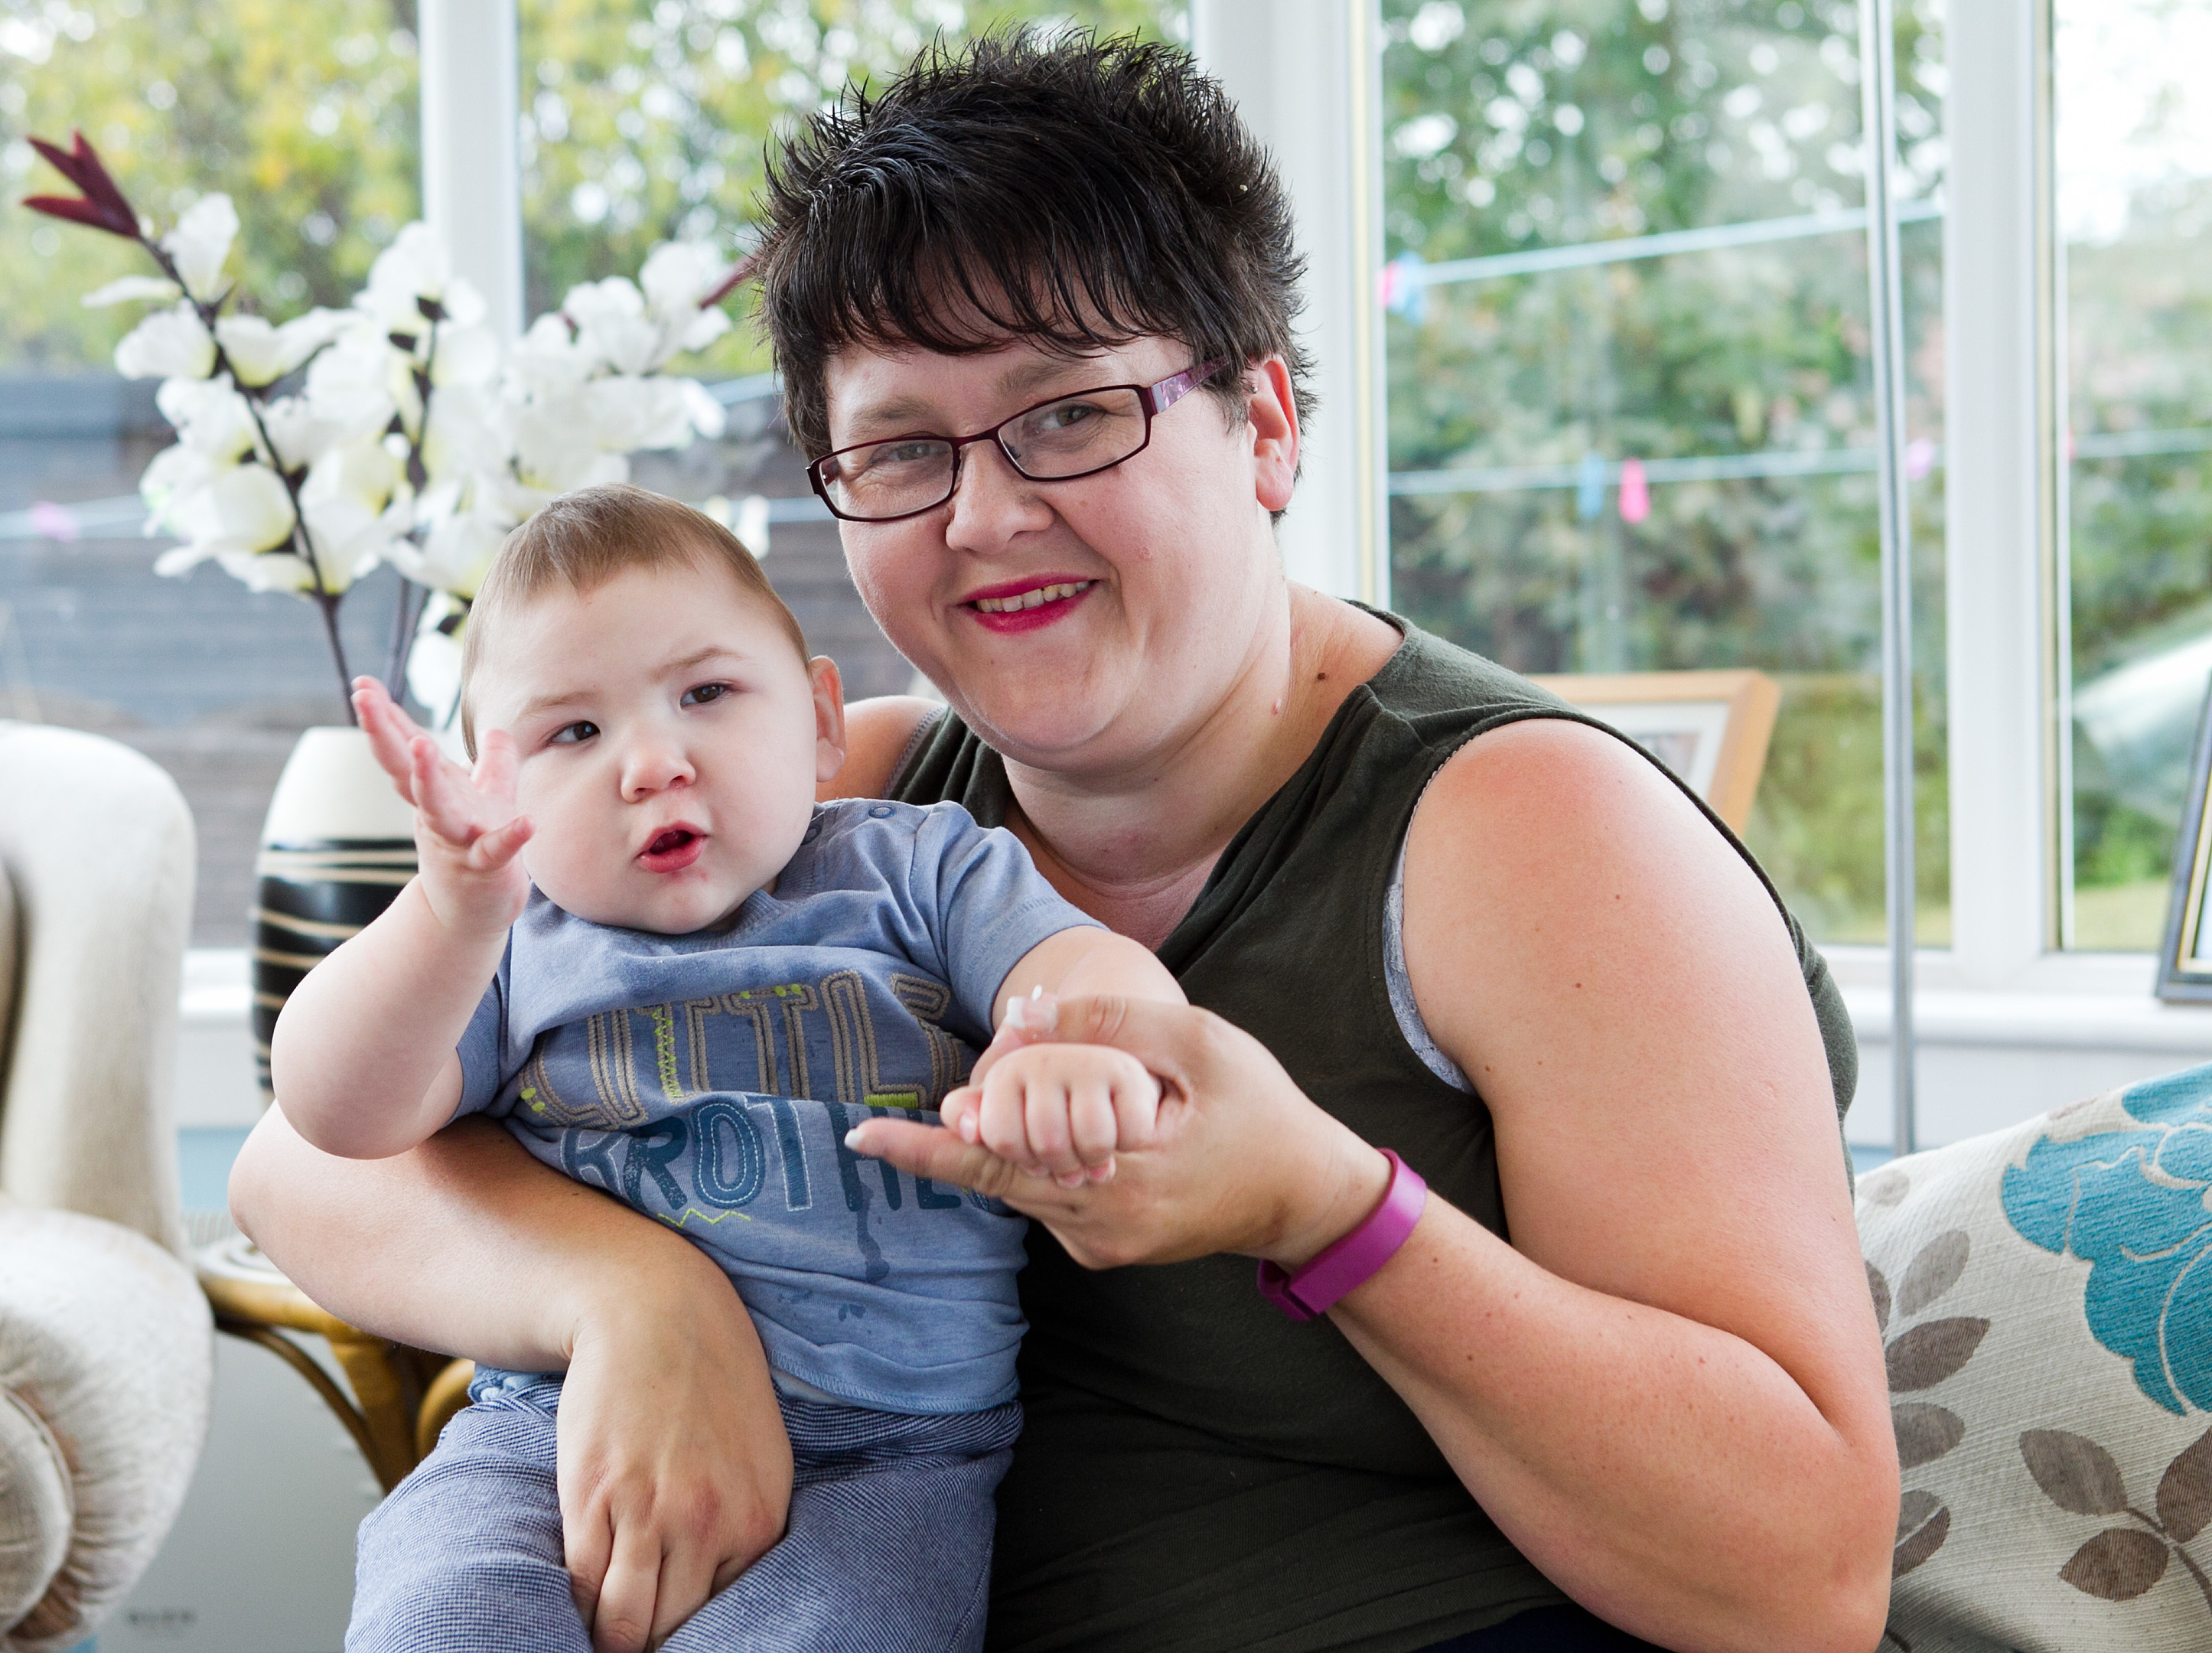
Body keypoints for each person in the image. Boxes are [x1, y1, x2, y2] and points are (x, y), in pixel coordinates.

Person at [232, 31, 1900, 1653]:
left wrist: (1325, 1209)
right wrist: (634, 1300)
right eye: (900, 450)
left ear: (1261, 428)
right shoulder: (860, 803)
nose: (983, 514)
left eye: (1070, 414)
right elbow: (300, 1162)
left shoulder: (1533, 833)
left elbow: (1799, 1583)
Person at [268, 486, 1186, 1649]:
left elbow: (1091, 967)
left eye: (705, 694)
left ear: (818, 721)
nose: (651, 763)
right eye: (573, 733)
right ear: (495, 787)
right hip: (549, 1430)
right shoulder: (510, 942)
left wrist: (1080, 1049)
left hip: (893, 1456)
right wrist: (450, 915)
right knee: (435, 1614)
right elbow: (336, 1110)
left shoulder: (916, 870)